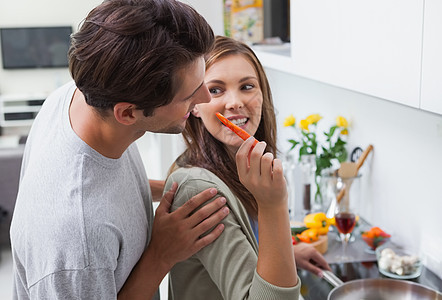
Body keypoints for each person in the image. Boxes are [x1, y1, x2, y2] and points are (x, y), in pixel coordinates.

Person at [10, 1, 231, 299]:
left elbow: (109, 187)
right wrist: (161, 255)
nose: (205, 97)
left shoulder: (74, 97)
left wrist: (182, 188)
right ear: (127, 114)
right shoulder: (78, 244)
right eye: (189, 95)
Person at [165, 36, 329, 300]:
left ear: (261, 94)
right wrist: (274, 205)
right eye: (216, 90)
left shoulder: (239, 170)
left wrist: (289, 255)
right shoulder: (199, 190)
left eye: (247, 86)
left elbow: (242, 245)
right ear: (194, 105)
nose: (235, 102)